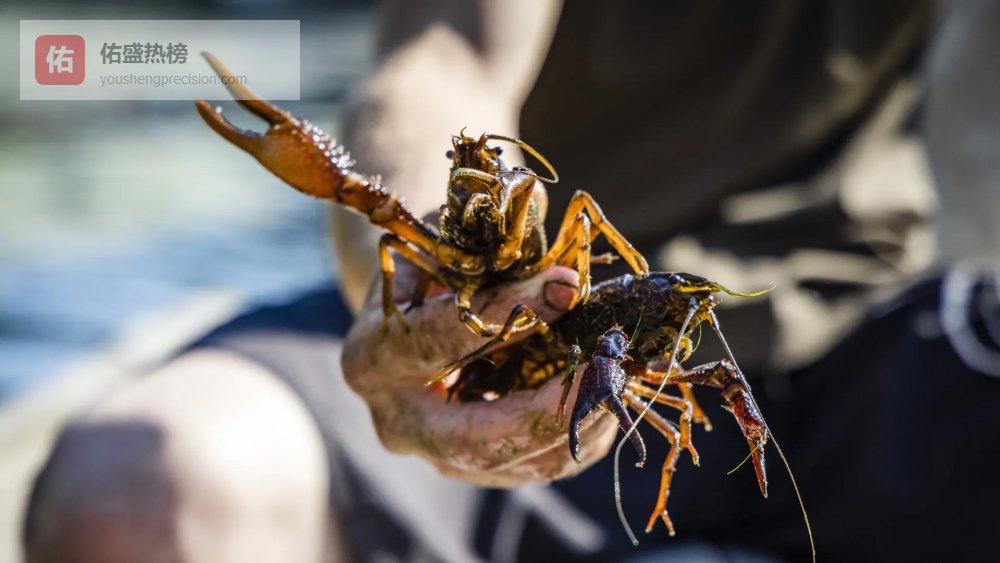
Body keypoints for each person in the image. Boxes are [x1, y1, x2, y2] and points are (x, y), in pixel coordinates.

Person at [23, 1, 1000, 561]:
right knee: (128, 490)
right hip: (510, 338)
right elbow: (445, 54)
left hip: (862, 329)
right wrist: (404, 290)